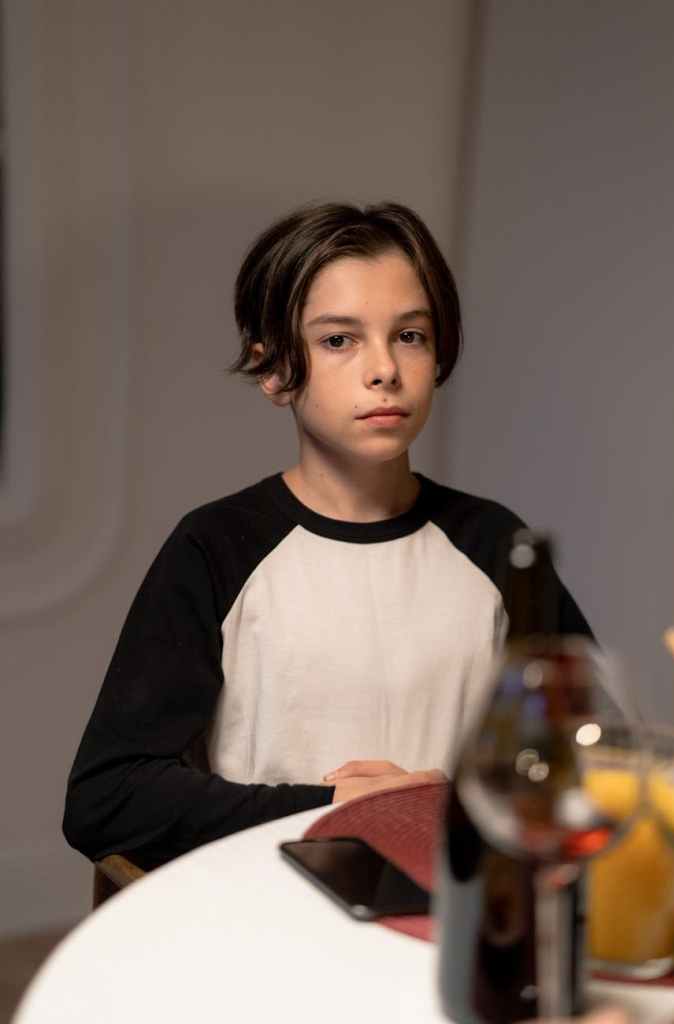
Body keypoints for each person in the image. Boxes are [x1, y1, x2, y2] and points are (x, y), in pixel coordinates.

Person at [63, 201, 591, 870]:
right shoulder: (215, 546)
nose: (384, 369)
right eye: (339, 340)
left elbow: (591, 765)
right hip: (263, 908)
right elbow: (107, 798)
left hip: (451, 911)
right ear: (275, 371)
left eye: (410, 335)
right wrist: (337, 808)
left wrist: (445, 806)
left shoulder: (494, 542)